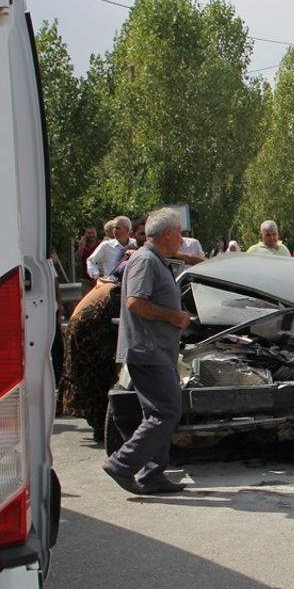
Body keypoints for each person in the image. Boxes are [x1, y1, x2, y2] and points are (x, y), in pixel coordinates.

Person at [101, 208, 192, 496]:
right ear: (167, 233)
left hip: (158, 350)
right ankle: (122, 463)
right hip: (147, 350)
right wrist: (173, 317)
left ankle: (153, 475)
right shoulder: (145, 260)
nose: (182, 238)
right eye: (179, 233)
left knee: (158, 411)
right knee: (167, 410)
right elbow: (135, 303)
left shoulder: (156, 260)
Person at [58, 280, 123, 442]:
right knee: (96, 377)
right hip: (88, 331)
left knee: (89, 376)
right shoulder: (117, 292)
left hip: (85, 328)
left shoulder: (111, 286)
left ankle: (100, 425)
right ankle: (101, 426)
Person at [86, 216, 135, 283]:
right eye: (114, 228)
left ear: (127, 230)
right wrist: (96, 275)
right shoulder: (106, 246)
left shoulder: (136, 244)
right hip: (111, 287)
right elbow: (91, 261)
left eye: (117, 228)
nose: (114, 231)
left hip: (131, 285)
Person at [75, 225, 100, 295]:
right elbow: (76, 259)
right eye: (88, 233)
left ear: (96, 233)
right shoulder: (82, 245)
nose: (91, 235)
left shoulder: (101, 244)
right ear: (85, 234)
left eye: (92, 233)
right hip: (85, 279)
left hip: (98, 278)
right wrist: (81, 248)